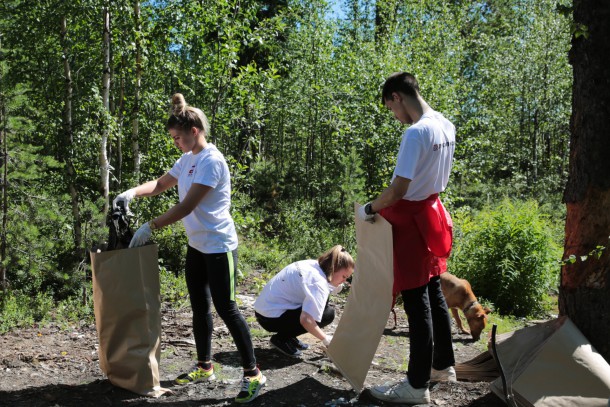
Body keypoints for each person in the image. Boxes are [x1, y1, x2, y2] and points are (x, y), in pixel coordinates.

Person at [113, 93, 265, 404]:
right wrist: (130, 193)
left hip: (219, 246)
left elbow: (186, 206)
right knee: (199, 305)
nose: (175, 143)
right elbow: (160, 184)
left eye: (178, 137)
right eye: (173, 138)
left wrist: (149, 227)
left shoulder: (211, 161)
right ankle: (205, 366)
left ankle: (253, 374)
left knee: (228, 308)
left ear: (194, 132)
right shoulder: (187, 159)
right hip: (197, 245)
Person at [357, 72, 456, 405]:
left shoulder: (416, 133)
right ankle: (443, 365)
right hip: (433, 214)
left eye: (390, 107)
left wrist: (370, 207)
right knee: (432, 289)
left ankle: (416, 385)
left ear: (397, 97)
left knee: (417, 300)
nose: (393, 115)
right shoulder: (446, 124)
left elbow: (399, 188)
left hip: (411, 219)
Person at [254, 245, 354, 357]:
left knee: (323, 305)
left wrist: (338, 284)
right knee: (327, 314)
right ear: (334, 269)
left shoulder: (314, 265)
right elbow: (306, 319)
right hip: (269, 319)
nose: (344, 281)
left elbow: (322, 287)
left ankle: (289, 336)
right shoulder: (318, 282)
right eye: (344, 277)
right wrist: (325, 339)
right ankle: (281, 339)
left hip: (264, 311)